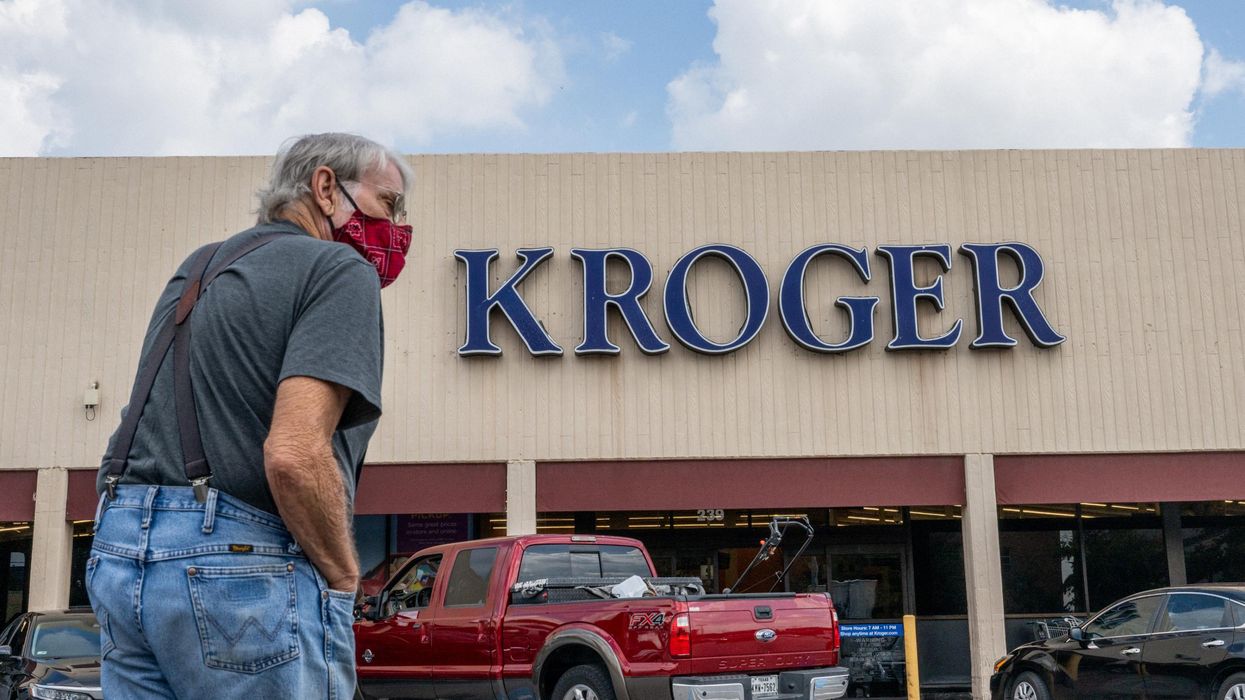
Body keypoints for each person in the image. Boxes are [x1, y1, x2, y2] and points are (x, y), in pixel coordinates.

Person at [87, 133, 412, 699]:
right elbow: (293, 454)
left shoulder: (201, 266)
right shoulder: (338, 268)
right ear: (326, 188)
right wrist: (342, 575)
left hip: (120, 551)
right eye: (389, 203)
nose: (398, 227)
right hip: (236, 566)